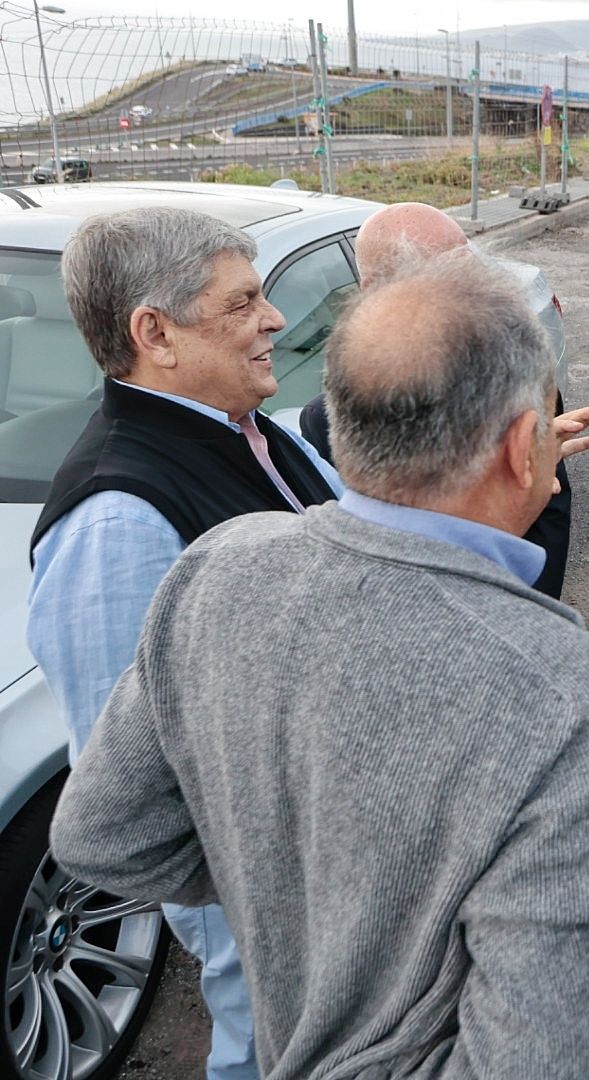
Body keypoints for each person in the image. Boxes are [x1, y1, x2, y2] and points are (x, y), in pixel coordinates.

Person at [49, 252, 589, 1079]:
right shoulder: (562, 690)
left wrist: (284, 884)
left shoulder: (217, 567)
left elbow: (100, 838)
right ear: (521, 445)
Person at [27, 207, 343, 1080]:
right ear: (155, 334)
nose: (275, 319)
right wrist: (263, 895)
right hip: (264, 898)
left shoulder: (243, 428)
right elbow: (127, 786)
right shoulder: (117, 521)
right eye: (242, 303)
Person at [298, 201, 589, 600]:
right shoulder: (324, 417)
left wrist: (528, 611)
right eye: (443, 278)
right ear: (375, 290)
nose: (471, 292)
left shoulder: (521, 386)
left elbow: (550, 517)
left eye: (468, 269)